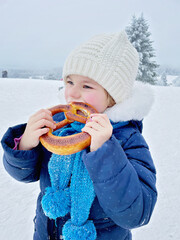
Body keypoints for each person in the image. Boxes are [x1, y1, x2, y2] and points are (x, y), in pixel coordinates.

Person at [1, 31, 157, 240]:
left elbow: (136, 213)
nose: (73, 93)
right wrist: (25, 144)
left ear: (112, 97)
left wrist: (104, 152)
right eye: (69, 82)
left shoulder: (128, 139)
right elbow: (24, 174)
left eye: (86, 86)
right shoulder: (57, 127)